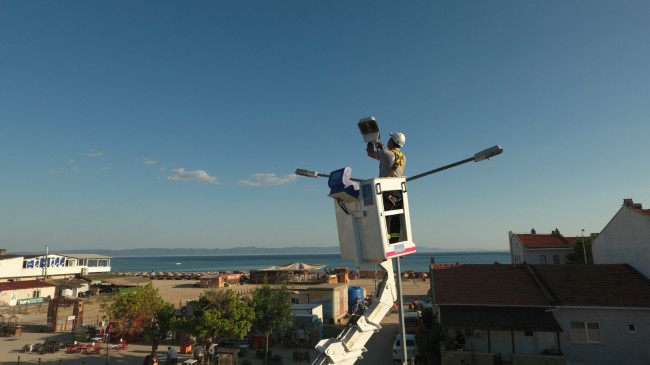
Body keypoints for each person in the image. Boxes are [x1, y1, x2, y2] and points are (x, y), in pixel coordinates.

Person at [366, 131, 407, 243]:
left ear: (393, 142)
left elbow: (370, 153)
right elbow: (388, 159)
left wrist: (369, 141)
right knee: (394, 221)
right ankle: (394, 243)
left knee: (384, 220)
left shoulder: (386, 154)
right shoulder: (403, 157)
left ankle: (385, 243)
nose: (388, 141)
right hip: (398, 193)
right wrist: (382, 148)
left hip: (386, 192)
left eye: (390, 140)